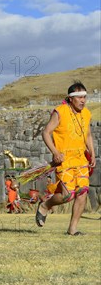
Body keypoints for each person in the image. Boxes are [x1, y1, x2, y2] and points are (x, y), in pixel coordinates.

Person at [37, 82, 96, 235]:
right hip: (64, 159)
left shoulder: (87, 113)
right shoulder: (60, 111)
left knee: (83, 191)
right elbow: (46, 133)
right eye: (79, 98)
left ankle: (72, 229)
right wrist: (55, 152)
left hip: (81, 158)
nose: (83, 100)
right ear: (71, 99)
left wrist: (92, 153)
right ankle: (45, 205)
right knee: (67, 195)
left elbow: (88, 135)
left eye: (84, 97)